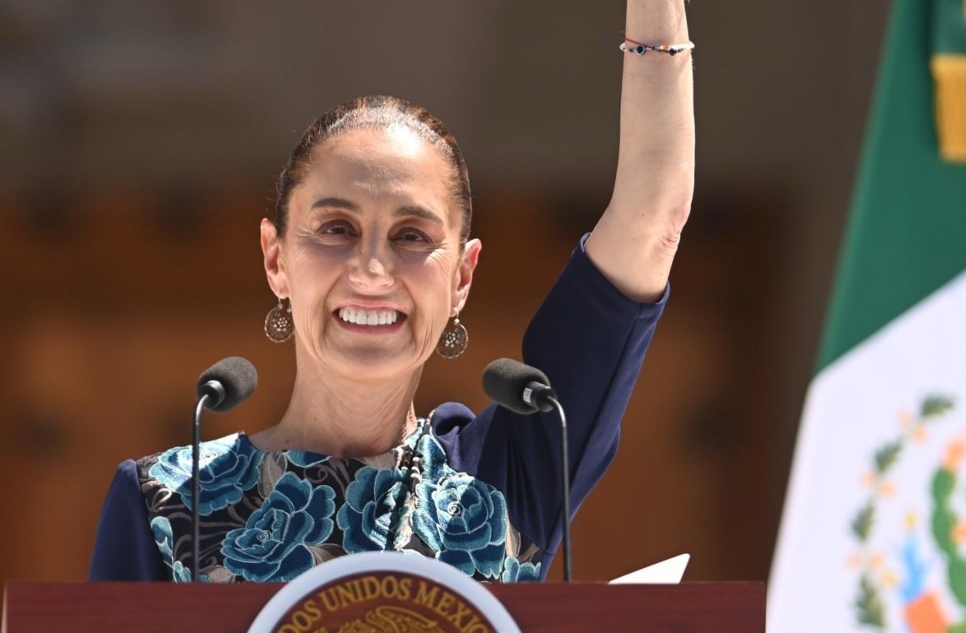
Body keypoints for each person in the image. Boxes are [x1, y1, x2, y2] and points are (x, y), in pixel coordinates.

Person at [88, 0, 694, 583]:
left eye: (411, 234)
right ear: (275, 258)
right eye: (336, 229)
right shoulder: (163, 505)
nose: (372, 270)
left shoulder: (510, 475)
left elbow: (654, 216)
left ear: (461, 276)